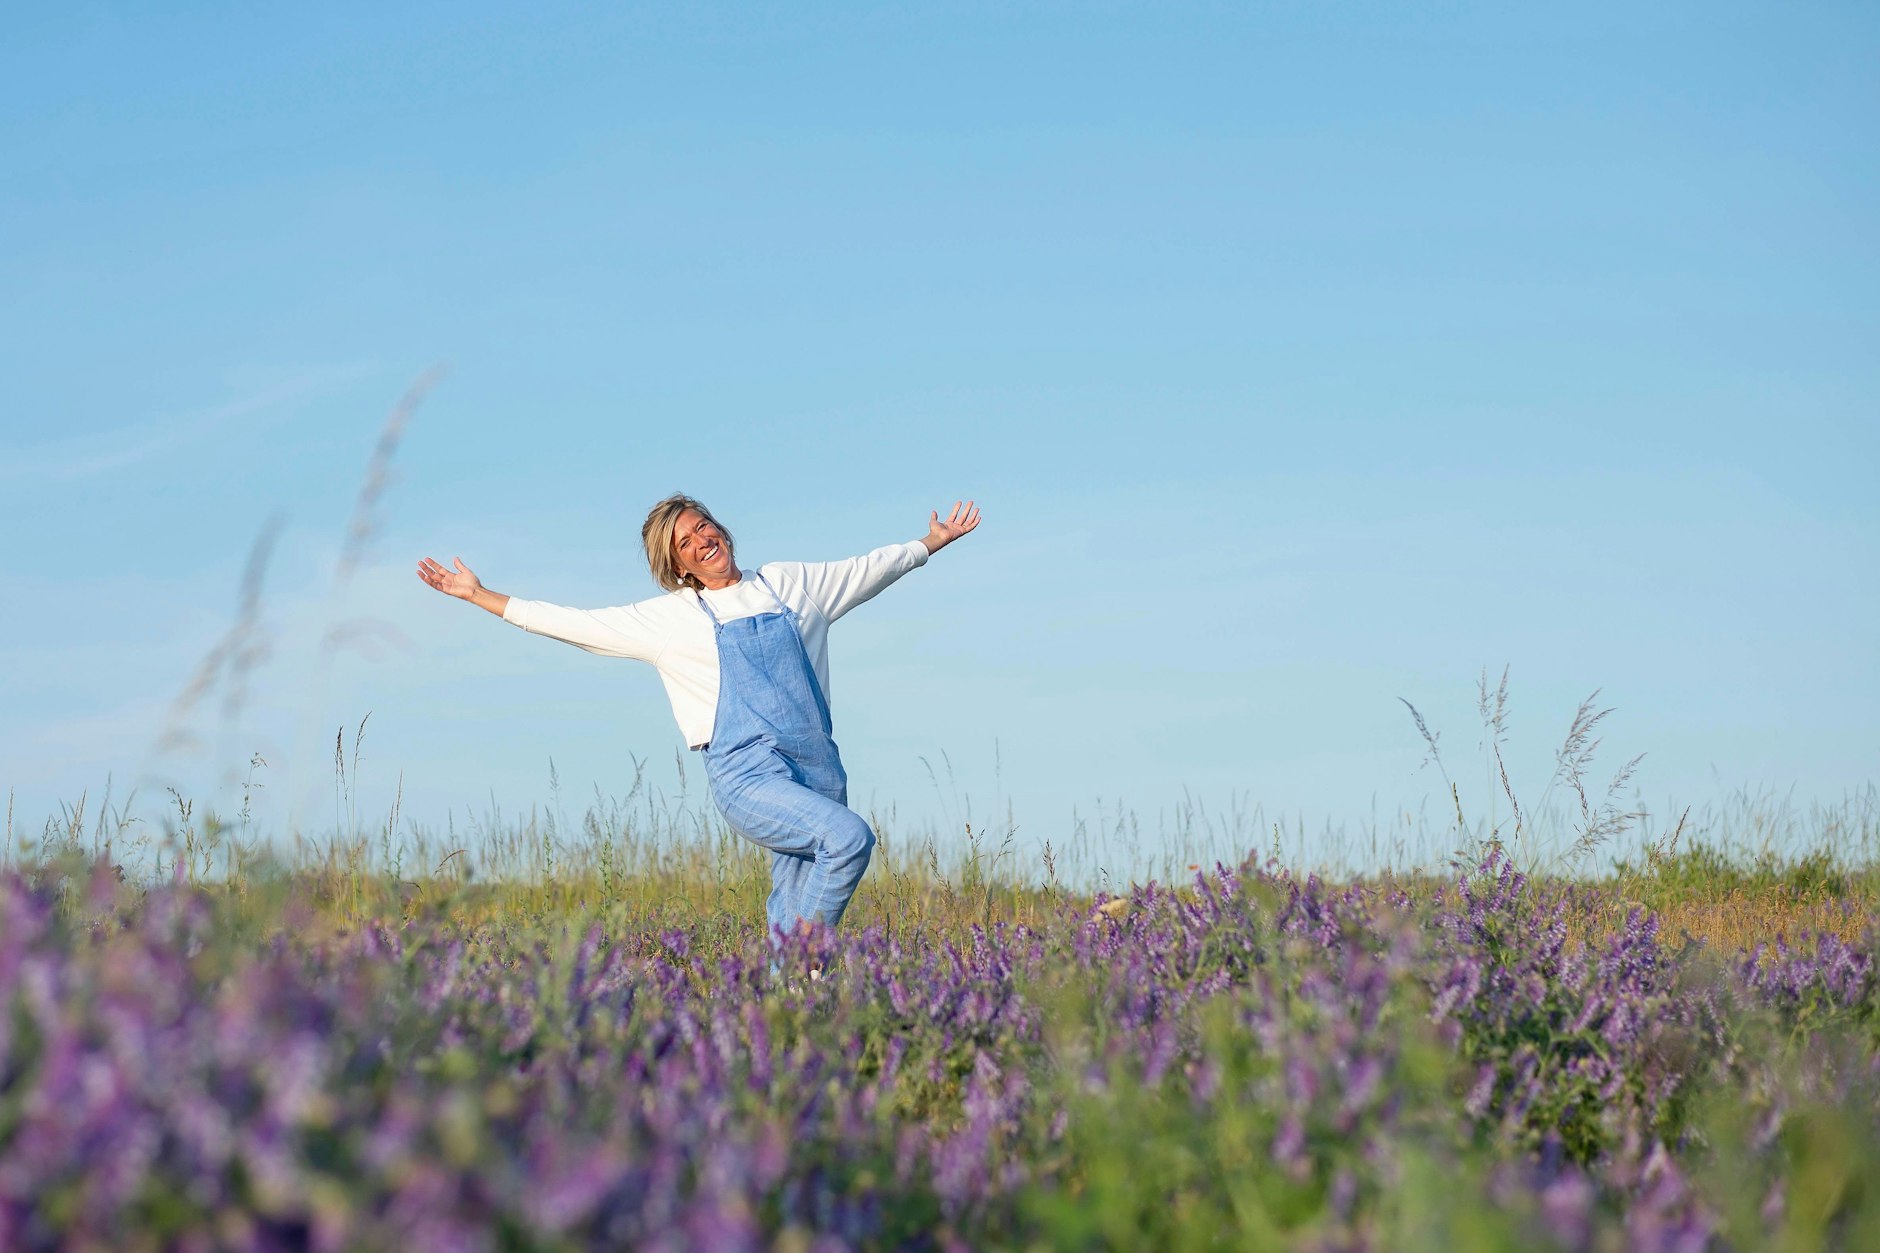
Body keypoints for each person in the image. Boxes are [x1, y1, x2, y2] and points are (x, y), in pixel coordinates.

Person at [416, 495, 980, 938]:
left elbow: (869, 568)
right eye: (684, 543)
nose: (701, 542)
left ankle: (790, 1016)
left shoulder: (791, 585)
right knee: (849, 840)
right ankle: (812, 959)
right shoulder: (672, 620)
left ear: (720, 528)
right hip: (749, 776)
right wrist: (481, 595)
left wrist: (932, 542)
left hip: (819, 771)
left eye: (702, 527)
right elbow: (574, 623)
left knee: (791, 904)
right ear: (677, 564)